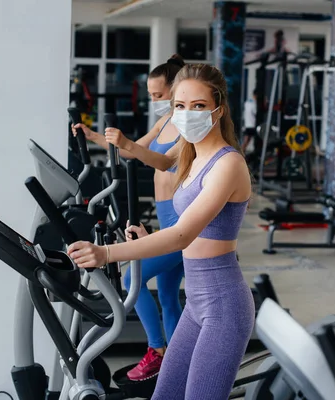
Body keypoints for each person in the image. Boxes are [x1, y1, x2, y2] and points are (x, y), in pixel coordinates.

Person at [68, 63, 254, 400]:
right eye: (180, 106)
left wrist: (106, 254)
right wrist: (145, 235)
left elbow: (182, 235)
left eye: (198, 106)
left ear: (218, 110)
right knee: (164, 394)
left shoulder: (229, 163)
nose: (187, 114)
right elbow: (160, 169)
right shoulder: (189, 151)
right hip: (196, 302)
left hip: (224, 305)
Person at [71, 54, 186, 381]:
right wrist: (95, 136)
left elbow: (159, 160)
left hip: (182, 230)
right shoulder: (164, 123)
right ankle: (177, 358)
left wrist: (129, 145)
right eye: (150, 96)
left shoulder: (188, 131)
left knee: (129, 280)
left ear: (177, 90)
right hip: (167, 224)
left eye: (158, 96)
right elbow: (129, 150)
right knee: (166, 293)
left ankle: (157, 350)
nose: (153, 102)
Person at [241, 89, 258, 154]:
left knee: (247, 140)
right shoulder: (254, 103)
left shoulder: (247, 102)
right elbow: (255, 112)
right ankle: (242, 152)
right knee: (248, 140)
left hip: (247, 124)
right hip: (253, 124)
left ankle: (242, 152)